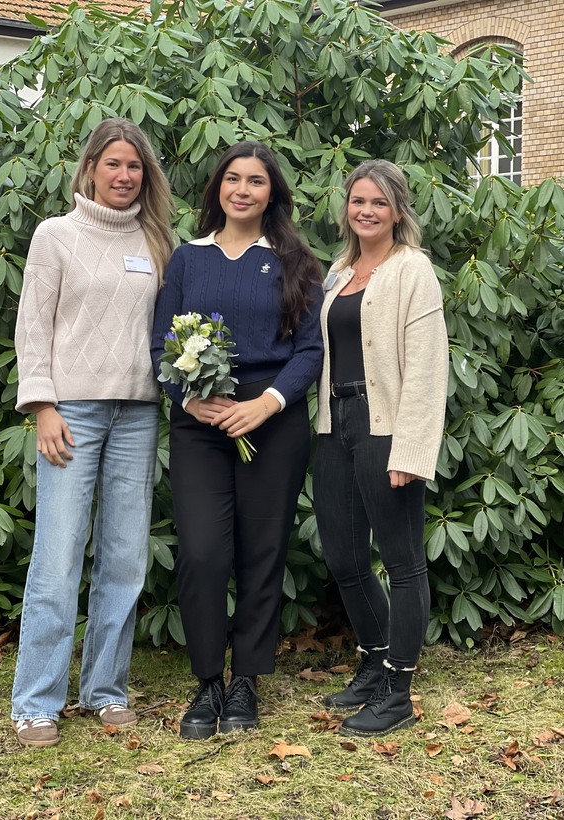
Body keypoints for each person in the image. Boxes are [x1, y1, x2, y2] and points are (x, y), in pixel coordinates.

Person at [151, 141, 323, 739]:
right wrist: (188, 398)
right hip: (198, 424)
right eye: (232, 179)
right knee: (202, 551)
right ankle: (207, 682)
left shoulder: (296, 261)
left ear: (271, 193)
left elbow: (310, 351)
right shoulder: (186, 259)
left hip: (271, 421)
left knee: (261, 551)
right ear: (217, 188)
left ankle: (246, 678)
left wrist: (266, 403)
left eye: (255, 181)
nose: (242, 190)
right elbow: (159, 345)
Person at [11, 118, 174, 748]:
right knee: (58, 555)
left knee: (125, 557)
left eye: (134, 166)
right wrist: (42, 405)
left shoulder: (156, 240)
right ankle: (36, 701)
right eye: (113, 164)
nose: (124, 175)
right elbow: (33, 325)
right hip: (71, 413)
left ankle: (106, 689)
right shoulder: (56, 235)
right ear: (90, 169)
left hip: (137, 413)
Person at [313, 159, 449, 737]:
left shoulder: (413, 269)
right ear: (346, 207)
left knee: (402, 560)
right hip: (334, 423)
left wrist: (411, 450)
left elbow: (427, 366)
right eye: (358, 200)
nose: (366, 210)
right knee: (343, 556)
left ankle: (398, 690)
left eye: (379, 202)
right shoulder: (338, 272)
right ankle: (373, 662)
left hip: (385, 424)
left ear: (397, 211)